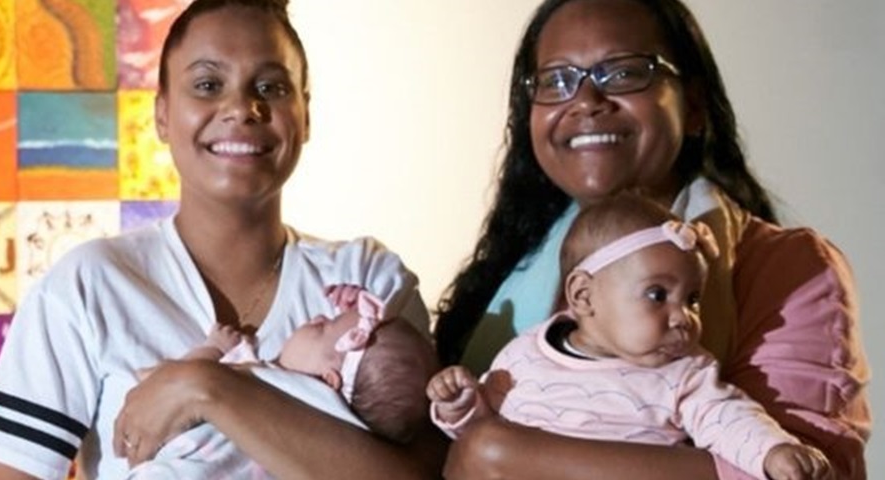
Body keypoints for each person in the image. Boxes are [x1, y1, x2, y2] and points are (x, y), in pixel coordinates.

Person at [0, 0, 445, 478]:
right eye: (208, 85)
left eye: (271, 87)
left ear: (305, 114)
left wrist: (207, 386)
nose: (241, 108)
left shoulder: (364, 282)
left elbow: (421, 475)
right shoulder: (88, 286)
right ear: (162, 116)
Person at [433, 0, 871, 479]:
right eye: (557, 80)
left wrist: (497, 455)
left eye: (622, 73)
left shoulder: (787, 266)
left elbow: (808, 471)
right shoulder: (509, 274)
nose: (585, 101)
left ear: (695, 108)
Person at [429, 193, 831, 480]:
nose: (683, 317)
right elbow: (479, 434)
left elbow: (727, 419)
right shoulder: (523, 357)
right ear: (583, 295)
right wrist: (461, 405)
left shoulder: (685, 373)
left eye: (692, 299)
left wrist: (772, 453)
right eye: (657, 294)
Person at [128, 285, 437, 478]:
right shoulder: (341, 438)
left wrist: (214, 349)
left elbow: (160, 383)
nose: (316, 317)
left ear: (328, 380)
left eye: (323, 327)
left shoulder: (257, 380)